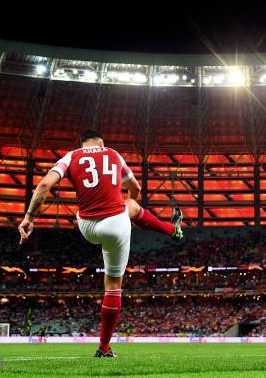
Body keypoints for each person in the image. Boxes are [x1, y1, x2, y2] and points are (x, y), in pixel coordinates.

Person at [18, 130, 183, 357]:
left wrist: (28, 219)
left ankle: (171, 229)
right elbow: (135, 189)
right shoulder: (113, 154)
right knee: (114, 283)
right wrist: (128, 201)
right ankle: (103, 348)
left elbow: (44, 186)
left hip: (86, 226)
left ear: (82, 144)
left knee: (124, 209)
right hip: (115, 225)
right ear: (102, 143)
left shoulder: (71, 156)